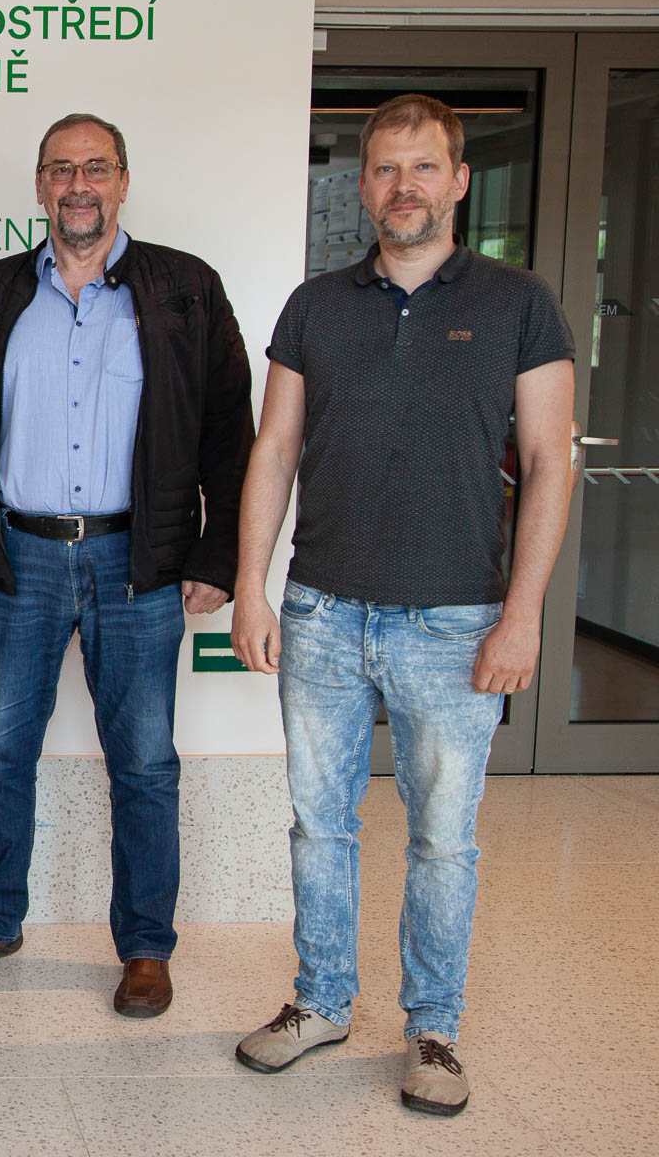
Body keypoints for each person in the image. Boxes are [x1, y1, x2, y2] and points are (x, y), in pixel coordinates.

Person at [230, 94, 574, 1116]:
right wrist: (252, 587)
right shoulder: (315, 305)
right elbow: (274, 450)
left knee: (443, 838)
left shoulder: (521, 304)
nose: (403, 186)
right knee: (319, 825)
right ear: (364, 184)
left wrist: (523, 614)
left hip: (455, 620)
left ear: (459, 180)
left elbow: (550, 463)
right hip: (324, 610)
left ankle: (434, 1029)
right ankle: (321, 1002)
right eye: (385, 168)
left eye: (424, 166)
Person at [0, 113, 254, 1016]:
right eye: (61, 169)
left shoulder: (185, 290)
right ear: (39, 186)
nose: (78, 185)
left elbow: (231, 433)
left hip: (139, 559)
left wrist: (219, 553)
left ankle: (145, 946)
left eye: (95, 167)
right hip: (17, 553)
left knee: (144, 763)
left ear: (123, 181)